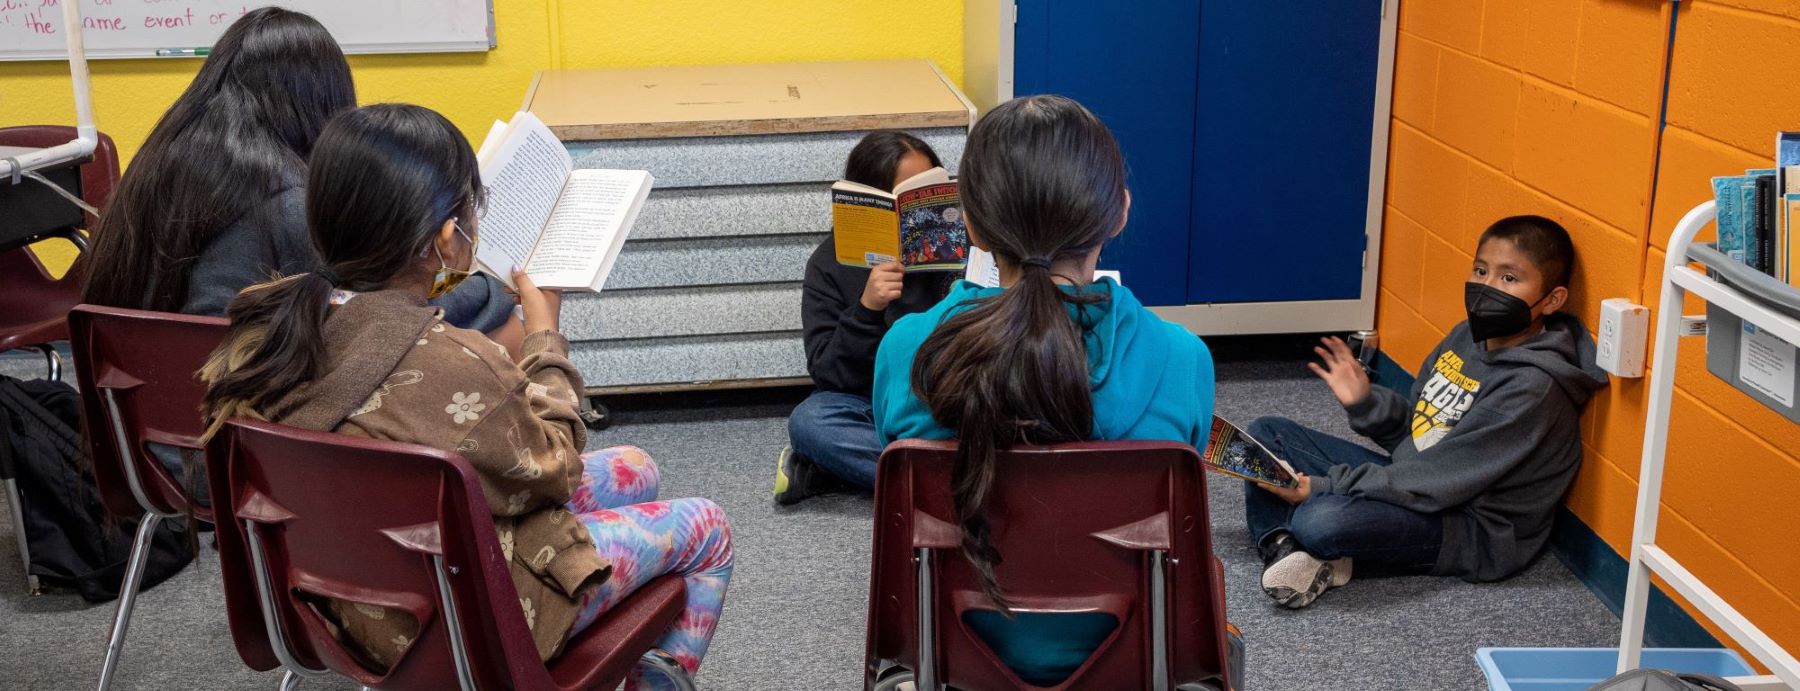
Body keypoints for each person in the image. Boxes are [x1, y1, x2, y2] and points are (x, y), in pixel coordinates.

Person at [198, 104, 731, 689]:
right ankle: (651, 679)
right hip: (472, 617)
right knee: (708, 527)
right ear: (446, 240)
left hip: (342, 606)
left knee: (637, 468)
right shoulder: (455, 359)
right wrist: (544, 338)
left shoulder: (265, 337)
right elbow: (555, 463)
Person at [871, 95, 1216, 686]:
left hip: (956, 656)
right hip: (1132, 658)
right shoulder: (1184, 360)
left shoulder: (907, 350)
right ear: (1119, 214)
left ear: (973, 226)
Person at [80, 7, 514, 339]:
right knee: (505, 332)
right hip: (225, 436)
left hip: (133, 423)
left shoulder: (161, 161)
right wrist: (497, 291)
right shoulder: (286, 200)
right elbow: (382, 311)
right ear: (324, 103)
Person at [1245, 215, 1608, 609]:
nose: (1487, 287)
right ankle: (1286, 549)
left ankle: (1309, 543)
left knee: (1321, 520)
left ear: (1552, 300)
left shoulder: (1534, 388)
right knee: (1265, 435)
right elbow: (1419, 433)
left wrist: (1318, 488)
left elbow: (1440, 479)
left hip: (1469, 527)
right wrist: (1366, 403)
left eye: (1509, 278)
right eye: (1481, 270)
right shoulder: (1466, 336)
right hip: (1423, 479)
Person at [775, 131, 958, 504]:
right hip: (871, 402)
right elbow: (827, 373)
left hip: (948, 394)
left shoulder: (959, 249)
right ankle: (951, 482)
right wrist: (867, 309)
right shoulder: (829, 263)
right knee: (811, 422)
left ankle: (845, 472)